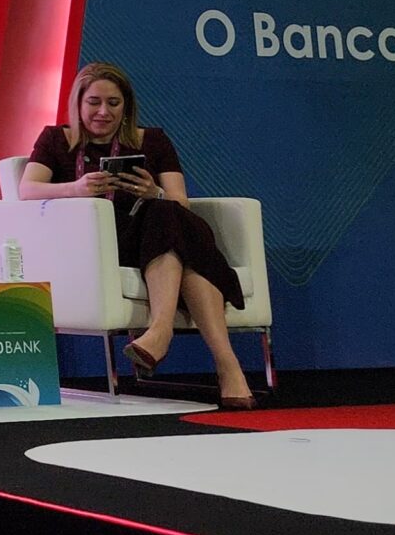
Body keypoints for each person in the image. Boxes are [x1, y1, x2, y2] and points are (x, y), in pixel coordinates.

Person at [19, 63, 255, 410]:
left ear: (126, 107)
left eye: (113, 103)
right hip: (104, 245)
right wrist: (75, 188)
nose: (103, 112)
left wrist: (152, 191)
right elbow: (27, 189)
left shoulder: (153, 140)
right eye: (94, 102)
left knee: (163, 212)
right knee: (185, 245)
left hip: (157, 232)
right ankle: (226, 364)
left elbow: (180, 202)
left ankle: (163, 333)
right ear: (78, 103)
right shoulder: (56, 140)